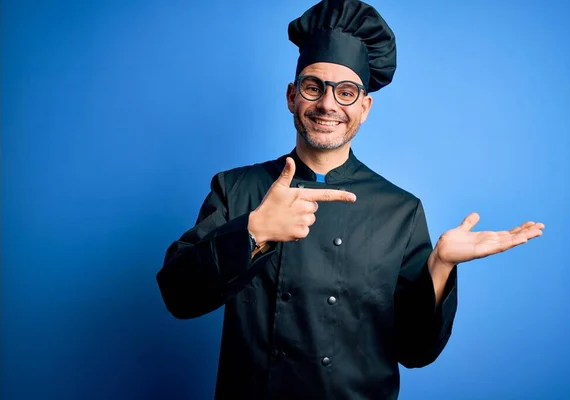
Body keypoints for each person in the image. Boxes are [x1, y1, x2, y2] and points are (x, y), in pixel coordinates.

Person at [156, 0, 545, 398]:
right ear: (291, 96)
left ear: (365, 107)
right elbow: (178, 296)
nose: (327, 104)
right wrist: (252, 232)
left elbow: (416, 351)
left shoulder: (401, 211)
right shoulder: (236, 189)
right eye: (313, 87)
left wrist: (441, 266)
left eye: (345, 92)